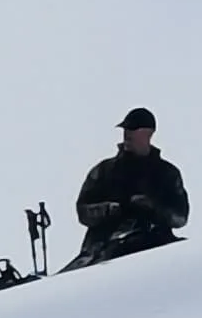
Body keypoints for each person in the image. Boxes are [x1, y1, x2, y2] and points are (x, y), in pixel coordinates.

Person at [71, 109, 189, 266]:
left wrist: (152, 207)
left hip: (156, 250)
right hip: (102, 253)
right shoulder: (104, 171)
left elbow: (180, 218)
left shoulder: (167, 174)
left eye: (133, 129)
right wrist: (109, 209)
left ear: (149, 133)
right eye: (125, 129)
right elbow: (82, 211)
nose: (127, 134)